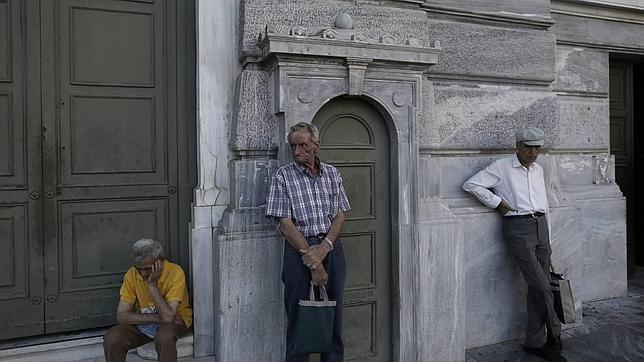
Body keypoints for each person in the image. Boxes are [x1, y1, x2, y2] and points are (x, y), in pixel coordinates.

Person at [462, 127, 566, 362]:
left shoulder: (538, 169)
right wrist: (497, 202)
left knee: (536, 287)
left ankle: (533, 342)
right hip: (518, 227)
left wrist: (549, 234)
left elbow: (544, 202)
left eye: (537, 147)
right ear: (518, 146)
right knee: (542, 286)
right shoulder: (502, 167)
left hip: (542, 226)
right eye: (529, 147)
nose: (533, 152)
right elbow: (471, 185)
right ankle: (555, 337)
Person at [266, 122, 351, 362]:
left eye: (303, 145)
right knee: (300, 319)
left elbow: (340, 215)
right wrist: (314, 261)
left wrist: (325, 248)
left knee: (332, 316)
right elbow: (285, 224)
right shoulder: (283, 176)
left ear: (316, 145)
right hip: (298, 249)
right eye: (293, 146)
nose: (296, 151)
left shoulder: (332, 174)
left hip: (331, 248)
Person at [103, 239, 193, 362]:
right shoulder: (131, 274)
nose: (142, 274)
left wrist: (152, 285)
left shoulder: (175, 272)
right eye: (138, 269)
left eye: (147, 269)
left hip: (174, 322)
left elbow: (168, 318)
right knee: (112, 337)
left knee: (165, 337)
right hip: (146, 321)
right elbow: (122, 316)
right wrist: (157, 317)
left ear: (160, 262)